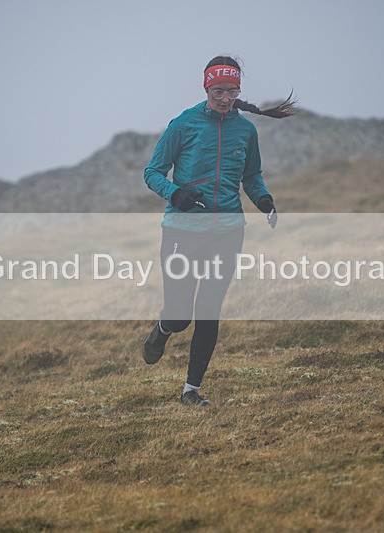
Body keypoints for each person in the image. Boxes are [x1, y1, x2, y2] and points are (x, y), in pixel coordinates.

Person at [142, 55, 296, 406]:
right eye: (218, 91)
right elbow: (152, 172)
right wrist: (175, 194)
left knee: (209, 311)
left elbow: (251, 175)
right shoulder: (184, 124)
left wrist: (265, 201)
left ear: (239, 90)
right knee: (181, 315)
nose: (225, 98)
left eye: (232, 91)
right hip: (182, 231)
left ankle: (191, 391)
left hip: (228, 231)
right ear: (206, 88)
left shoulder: (246, 130)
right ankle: (163, 330)